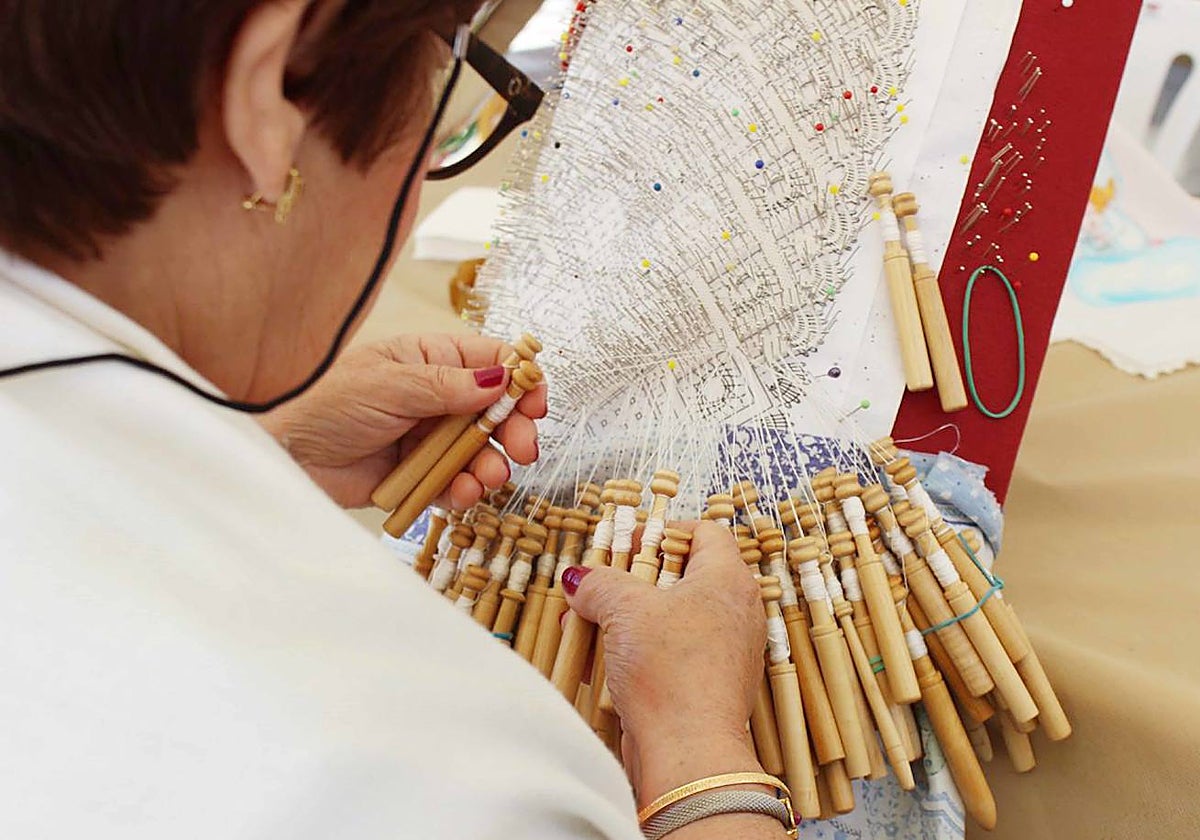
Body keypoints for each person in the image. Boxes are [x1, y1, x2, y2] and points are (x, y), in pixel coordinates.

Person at [0, 2, 790, 837]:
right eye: (447, 95)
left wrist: (266, 445)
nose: (420, 184)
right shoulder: (417, 768)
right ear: (268, 102)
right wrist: (696, 748)